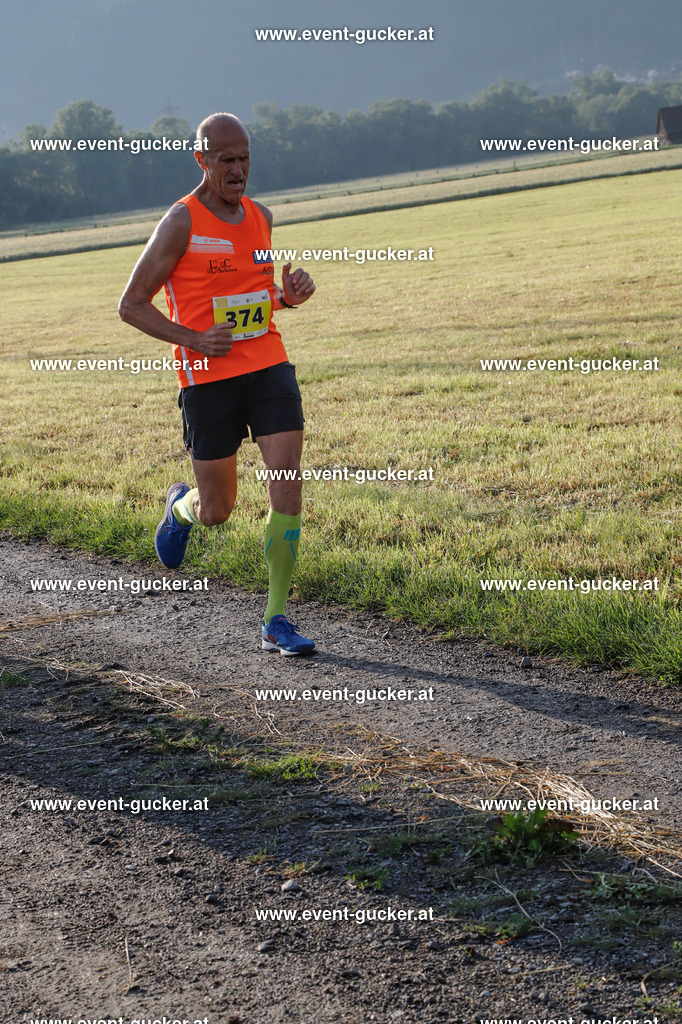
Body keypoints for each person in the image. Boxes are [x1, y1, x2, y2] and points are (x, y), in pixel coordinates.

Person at [118, 112, 316, 655]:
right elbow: (131, 306)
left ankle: (276, 619)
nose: (237, 168)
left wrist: (286, 298)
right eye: (225, 158)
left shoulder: (262, 216)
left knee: (287, 478)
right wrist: (194, 339)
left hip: (268, 363)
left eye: (245, 156)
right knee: (218, 510)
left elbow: (253, 298)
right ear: (202, 160)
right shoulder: (180, 222)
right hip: (207, 378)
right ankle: (179, 508)